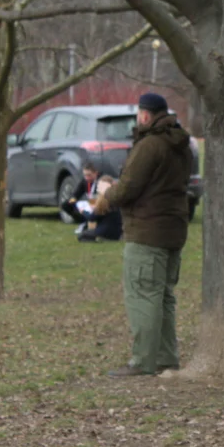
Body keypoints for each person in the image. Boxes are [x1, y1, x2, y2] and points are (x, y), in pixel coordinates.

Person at [93, 92, 192, 377]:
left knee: (143, 295)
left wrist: (106, 193)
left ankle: (143, 361)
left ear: (145, 115)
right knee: (163, 296)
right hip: (174, 228)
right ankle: (165, 357)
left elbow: (128, 188)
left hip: (147, 229)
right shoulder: (181, 144)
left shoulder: (149, 145)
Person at [78, 176, 123, 242]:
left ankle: (100, 239)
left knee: (82, 235)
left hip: (104, 232)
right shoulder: (117, 199)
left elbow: (91, 218)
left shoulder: (103, 201)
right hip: (117, 233)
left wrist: (83, 211)